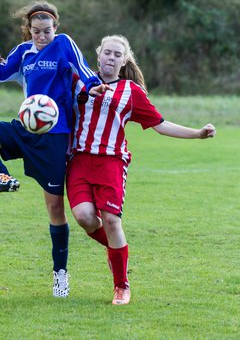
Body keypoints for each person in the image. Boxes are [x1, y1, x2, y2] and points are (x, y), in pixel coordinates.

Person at [66, 34, 216, 305]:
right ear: (98, 55)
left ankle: (121, 285)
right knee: (85, 217)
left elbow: (160, 124)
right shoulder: (79, 81)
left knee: (111, 221)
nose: (111, 58)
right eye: (107, 53)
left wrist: (197, 134)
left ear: (124, 61)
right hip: (79, 161)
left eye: (117, 55)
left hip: (111, 162)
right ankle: (116, 251)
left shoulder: (131, 92)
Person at [0, 0, 110, 298]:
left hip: (55, 137)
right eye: (36, 31)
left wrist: (93, 86)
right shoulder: (23, 53)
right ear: (29, 30)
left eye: (46, 31)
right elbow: (1, 72)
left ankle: (60, 274)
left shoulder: (63, 45)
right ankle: (2, 177)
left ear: (55, 27)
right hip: (26, 129)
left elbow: (83, 69)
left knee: (55, 208)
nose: (41, 36)